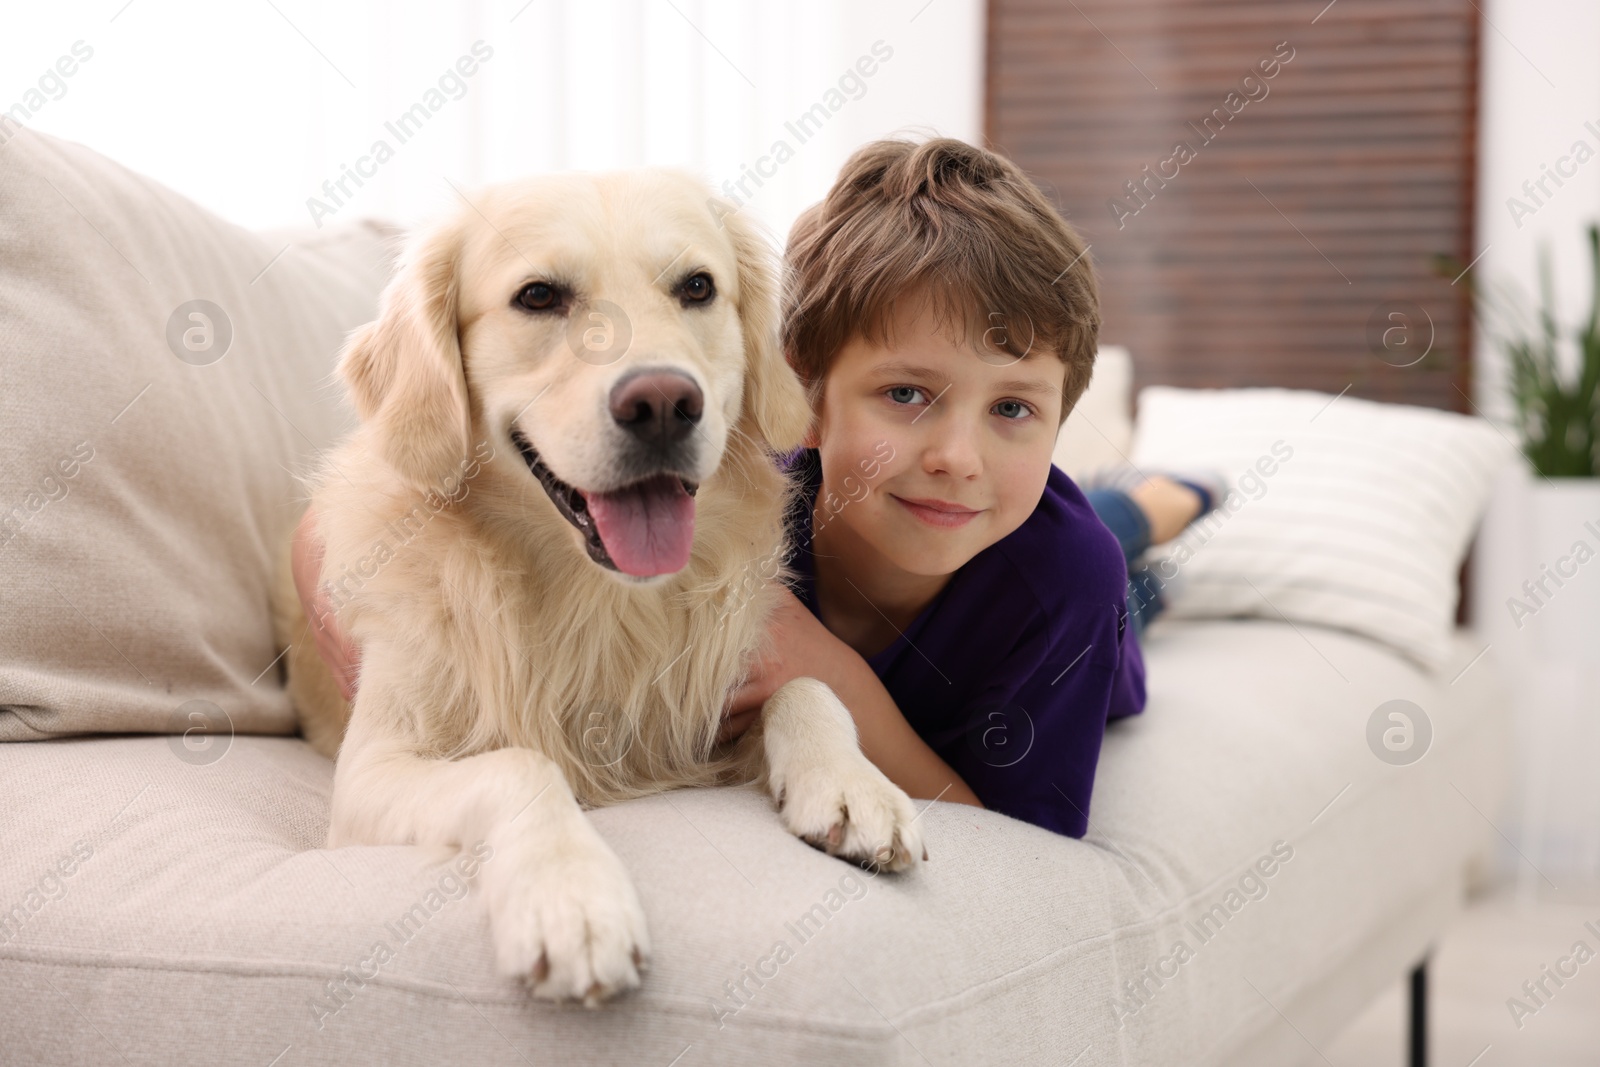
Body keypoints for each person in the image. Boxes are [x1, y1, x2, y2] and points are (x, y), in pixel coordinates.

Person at [292, 137, 1219, 839]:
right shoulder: (771, 477)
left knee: (1110, 557)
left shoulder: (1064, 585)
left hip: (1067, 609)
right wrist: (344, 611)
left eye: (691, 289)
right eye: (904, 394)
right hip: (971, 536)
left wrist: (833, 678)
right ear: (807, 395)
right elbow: (346, 517)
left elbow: (1019, 838)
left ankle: (1154, 503)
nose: (954, 453)